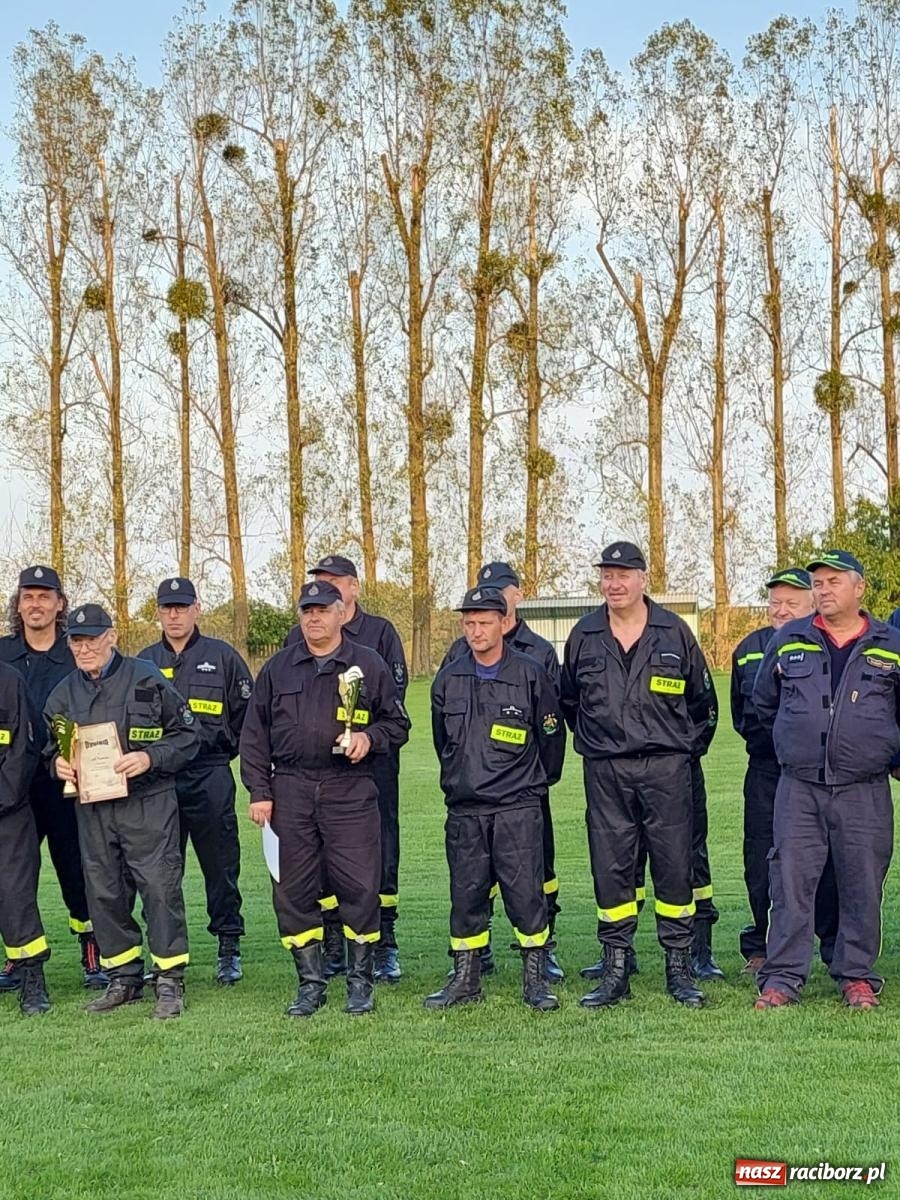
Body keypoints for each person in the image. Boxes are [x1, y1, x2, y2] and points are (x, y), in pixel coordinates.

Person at [241, 581, 409, 1018]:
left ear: (341, 613)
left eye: (322, 610)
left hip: (348, 788)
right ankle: (310, 985)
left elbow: (398, 724)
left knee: (358, 885)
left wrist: (369, 739)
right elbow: (254, 736)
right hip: (290, 790)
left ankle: (359, 984)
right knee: (293, 891)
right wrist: (260, 792)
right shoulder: (278, 669)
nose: (313, 618)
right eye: (306, 611)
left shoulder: (367, 665)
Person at [561, 542, 717, 1009]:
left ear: (643, 578)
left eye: (623, 574)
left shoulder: (674, 632)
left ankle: (679, 966)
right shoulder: (584, 635)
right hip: (606, 771)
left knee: (674, 868)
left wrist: (681, 753)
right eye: (607, 575)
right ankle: (615, 967)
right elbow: (569, 703)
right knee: (611, 870)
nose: (614, 583)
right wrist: (602, 743)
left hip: (667, 769)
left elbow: (703, 706)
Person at [752, 551, 900, 1010]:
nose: (824, 590)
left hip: (865, 788)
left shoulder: (890, 644)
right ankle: (781, 979)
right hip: (799, 788)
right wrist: (794, 745)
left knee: (861, 882)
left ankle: (856, 975)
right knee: (791, 881)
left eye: (834, 581)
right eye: (818, 583)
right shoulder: (789, 639)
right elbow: (763, 704)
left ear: (859, 589)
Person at [44, 604, 199, 1019]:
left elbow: (188, 735)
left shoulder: (146, 676)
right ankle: (123, 978)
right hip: (93, 809)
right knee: (104, 892)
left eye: (92, 638)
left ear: (112, 636)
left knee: (159, 889)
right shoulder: (61, 695)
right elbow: (49, 751)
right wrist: (56, 765)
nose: (84, 647)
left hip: (148, 802)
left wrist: (150, 758)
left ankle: (169, 980)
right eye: (76, 640)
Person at [426, 586, 564, 1011]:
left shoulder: (529, 673)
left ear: (504, 623)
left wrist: (534, 784)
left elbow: (551, 736)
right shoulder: (449, 677)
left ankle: (535, 980)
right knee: (466, 896)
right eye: (469, 623)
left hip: (517, 807)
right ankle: (466, 978)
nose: (476, 631)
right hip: (466, 809)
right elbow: (441, 741)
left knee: (526, 895)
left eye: (485, 622)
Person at [286, 555, 408, 984]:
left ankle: (384, 945)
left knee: (378, 855)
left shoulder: (380, 634)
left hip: (371, 768)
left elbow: (394, 697)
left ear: (353, 588)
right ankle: (335, 944)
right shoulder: (297, 635)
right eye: (318, 582)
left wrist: (365, 739)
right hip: (312, 779)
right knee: (319, 858)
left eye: (334, 582)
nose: (325, 589)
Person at [138, 577, 254, 985]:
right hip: (159, 782)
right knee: (159, 871)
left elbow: (248, 718)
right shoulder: (143, 662)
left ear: (196, 609)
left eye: (181, 606)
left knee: (220, 865)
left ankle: (228, 946)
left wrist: (222, 756)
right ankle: (164, 954)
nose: (174, 614)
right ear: (157, 612)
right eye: (167, 607)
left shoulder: (222, 657)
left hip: (209, 775)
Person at [0, 565, 105, 991]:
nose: (36, 604)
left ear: (60, 604)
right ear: (18, 603)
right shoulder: (2, 655)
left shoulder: (75, 652)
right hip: (12, 787)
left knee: (77, 868)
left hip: (66, 782)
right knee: (12, 877)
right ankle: (17, 956)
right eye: (29, 596)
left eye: (45, 596)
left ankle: (91, 946)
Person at [731, 567, 838, 975]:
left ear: (812, 604)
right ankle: (761, 945)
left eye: (791, 603)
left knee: (826, 862)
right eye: (775, 602)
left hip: (816, 774)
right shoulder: (748, 648)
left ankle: (831, 945)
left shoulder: (827, 644)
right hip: (765, 772)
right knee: (760, 859)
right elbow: (744, 716)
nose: (781, 610)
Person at [0, 660, 50, 1016]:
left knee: (16, 896)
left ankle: (32, 979)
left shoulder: (9, 681)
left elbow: (25, 750)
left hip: (8, 810)